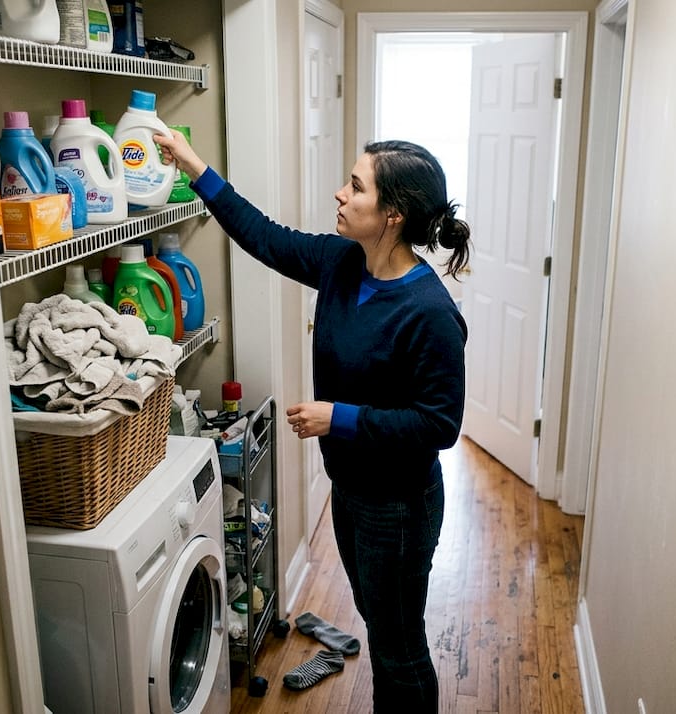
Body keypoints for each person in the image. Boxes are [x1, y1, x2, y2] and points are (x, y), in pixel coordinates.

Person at [154, 130, 470, 711]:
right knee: (382, 630)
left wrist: (337, 417)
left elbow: (439, 424)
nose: (339, 194)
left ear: (393, 215)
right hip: (351, 491)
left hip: (398, 506)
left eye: (356, 186)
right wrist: (196, 168)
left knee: (399, 650)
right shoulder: (341, 262)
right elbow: (265, 238)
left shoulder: (428, 313)